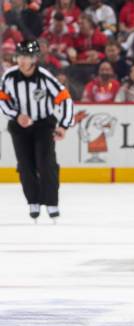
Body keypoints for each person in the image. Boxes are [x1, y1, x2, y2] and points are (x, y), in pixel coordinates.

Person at [0, 41, 73, 221]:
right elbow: (2, 100)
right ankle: (33, 200)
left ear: (34, 59)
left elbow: (65, 99)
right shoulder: (9, 77)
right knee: (25, 165)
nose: (23, 61)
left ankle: (51, 202)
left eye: (28, 57)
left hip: (43, 125)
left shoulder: (45, 77)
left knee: (46, 163)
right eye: (21, 56)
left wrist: (63, 125)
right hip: (19, 127)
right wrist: (16, 115)